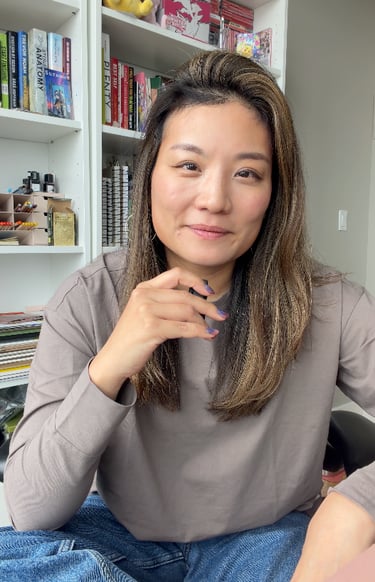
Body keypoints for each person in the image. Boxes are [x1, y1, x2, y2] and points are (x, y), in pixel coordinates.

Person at [1, 49, 375, 581]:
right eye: (189, 166)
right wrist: (110, 366)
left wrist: (353, 507)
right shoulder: (86, 297)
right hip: (120, 534)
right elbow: (32, 512)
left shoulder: (331, 305)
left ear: (275, 193)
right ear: (150, 173)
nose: (214, 198)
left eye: (247, 173)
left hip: (265, 539)